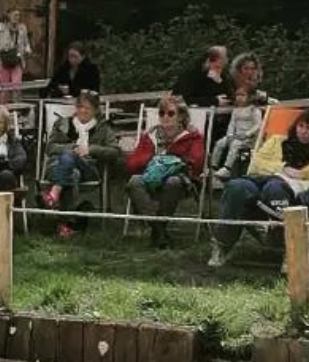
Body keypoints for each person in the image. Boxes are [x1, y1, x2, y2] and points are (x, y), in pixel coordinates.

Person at [208, 107, 309, 268]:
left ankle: (286, 248)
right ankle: (223, 244)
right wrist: (283, 168)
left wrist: (300, 174)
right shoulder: (277, 141)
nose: (304, 131)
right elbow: (256, 164)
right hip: (260, 181)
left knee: (275, 188)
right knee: (236, 187)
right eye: (301, 126)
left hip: (293, 191)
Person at [125, 96, 206, 248]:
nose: (165, 117)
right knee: (134, 182)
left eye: (170, 113)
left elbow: (197, 163)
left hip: (181, 180)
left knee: (172, 182)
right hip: (151, 177)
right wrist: (152, 159)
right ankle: (159, 231)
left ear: (181, 116)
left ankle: (157, 231)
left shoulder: (193, 137)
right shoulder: (150, 136)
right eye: (161, 113)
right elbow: (131, 165)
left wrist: (171, 161)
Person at [41, 91, 122, 236]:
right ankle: (66, 225)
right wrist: (72, 149)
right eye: (80, 107)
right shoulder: (62, 124)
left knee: (73, 165)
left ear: (95, 110)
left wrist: (91, 149)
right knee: (72, 173)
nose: (83, 111)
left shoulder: (103, 128)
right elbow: (50, 147)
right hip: (57, 166)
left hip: (88, 168)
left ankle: (54, 195)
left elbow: (115, 151)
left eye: (87, 108)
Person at [209, 86, 263, 183]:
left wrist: (247, 134)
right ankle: (213, 167)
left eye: (242, 95)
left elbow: (258, 125)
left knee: (235, 145)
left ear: (250, 97)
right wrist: (229, 135)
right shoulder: (236, 110)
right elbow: (232, 124)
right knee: (220, 143)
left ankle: (227, 168)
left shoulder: (254, 110)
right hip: (235, 135)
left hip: (249, 138)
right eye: (238, 95)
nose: (239, 98)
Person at [0, 9, 32, 97]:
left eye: (18, 15)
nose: (17, 17)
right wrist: (0, 48)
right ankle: (3, 105)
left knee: (16, 86)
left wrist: (28, 49)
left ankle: (16, 105)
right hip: (2, 60)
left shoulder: (22, 27)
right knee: (5, 88)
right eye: (15, 15)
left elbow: (26, 43)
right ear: (8, 15)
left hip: (17, 60)